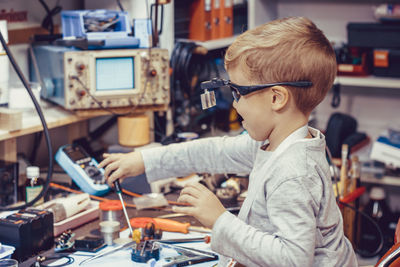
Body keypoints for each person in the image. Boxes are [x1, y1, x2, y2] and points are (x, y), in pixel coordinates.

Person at [98, 17, 357, 267]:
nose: (234, 103)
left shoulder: (293, 172)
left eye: (239, 92)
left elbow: (293, 259)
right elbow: (214, 151)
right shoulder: (277, 142)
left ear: (277, 98)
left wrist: (219, 219)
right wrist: (144, 159)